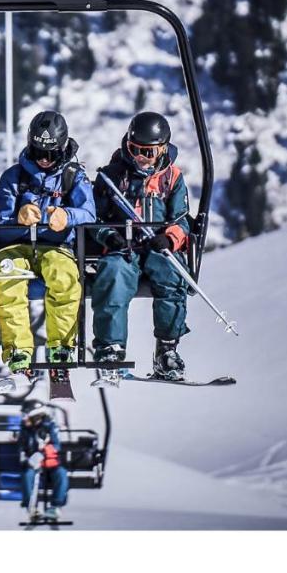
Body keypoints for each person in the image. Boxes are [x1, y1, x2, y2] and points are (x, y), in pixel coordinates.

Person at [90, 111, 193, 380]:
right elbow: (94, 219)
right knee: (113, 273)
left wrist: (169, 238)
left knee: (171, 273)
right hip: (124, 246)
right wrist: (108, 236)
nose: (140, 157)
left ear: (161, 149)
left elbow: (182, 221)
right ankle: (110, 348)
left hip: (157, 246)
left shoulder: (171, 178)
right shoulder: (113, 176)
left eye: (147, 152)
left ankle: (167, 350)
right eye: (134, 149)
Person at [0, 111, 96, 373]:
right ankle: (18, 350)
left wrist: (66, 216)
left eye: (51, 154)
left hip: (55, 246)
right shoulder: (13, 177)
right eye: (38, 152)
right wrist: (18, 218)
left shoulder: (73, 177)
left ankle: (60, 345)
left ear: (62, 149)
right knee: (7, 279)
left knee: (65, 278)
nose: (44, 160)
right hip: (16, 246)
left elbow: (89, 214)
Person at [19, 400, 67, 521]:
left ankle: (56, 506)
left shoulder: (50, 426)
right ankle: (31, 506)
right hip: (33, 463)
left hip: (49, 462)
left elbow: (56, 445)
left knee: (61, 474)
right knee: (27, 475)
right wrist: (26, 458)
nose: (24, 419)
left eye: (26, 416)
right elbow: (21, 446)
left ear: (35, 416)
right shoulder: (25, 429)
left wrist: (43, 453)